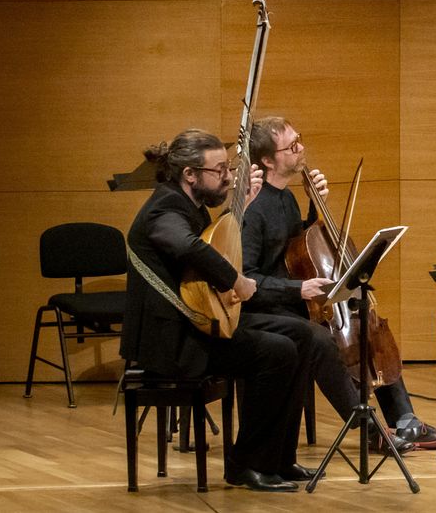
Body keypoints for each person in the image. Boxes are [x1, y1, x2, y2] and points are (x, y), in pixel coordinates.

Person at [241, 116, 436, 450]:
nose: (301, 150)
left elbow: (299, 247)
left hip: (302, 299)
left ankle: (406, 421)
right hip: (274, 306)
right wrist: (297, 289)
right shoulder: (253, 211)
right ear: (268, 160)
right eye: (292, 146)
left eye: (300, 140)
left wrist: (315, 205)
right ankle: (369, 430)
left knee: (369, 326)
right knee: (324, 340)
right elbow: (247, 275)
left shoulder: (286, 198)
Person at [122, 129, 317, 492]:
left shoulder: (190, 205)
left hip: (198, 323)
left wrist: (239, 204)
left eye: (229, 168)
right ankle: (246, 465)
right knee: (278, 351)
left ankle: (278, 458)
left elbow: (216, 242)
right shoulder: (163, 207)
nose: (229, 177)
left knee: (302, 334)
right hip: (172, 341)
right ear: (190, 175)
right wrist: (236, 282)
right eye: (221, 171)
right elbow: (189, 247)